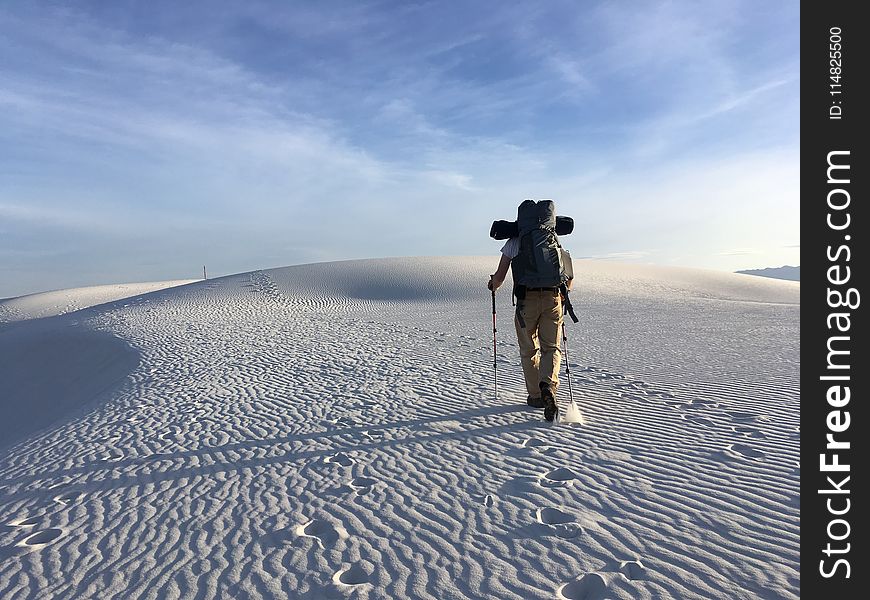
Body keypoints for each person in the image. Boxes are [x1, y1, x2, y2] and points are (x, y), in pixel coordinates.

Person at [487, 200, 573, 422]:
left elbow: (499, 278)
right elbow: (569, 278)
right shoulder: (553, 239)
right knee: (551, 347)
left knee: (528, 349)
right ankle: (548, 386)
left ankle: (536, 395)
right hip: (553, 298)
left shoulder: (514, 242)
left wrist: (492, 285)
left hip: (527, 302)